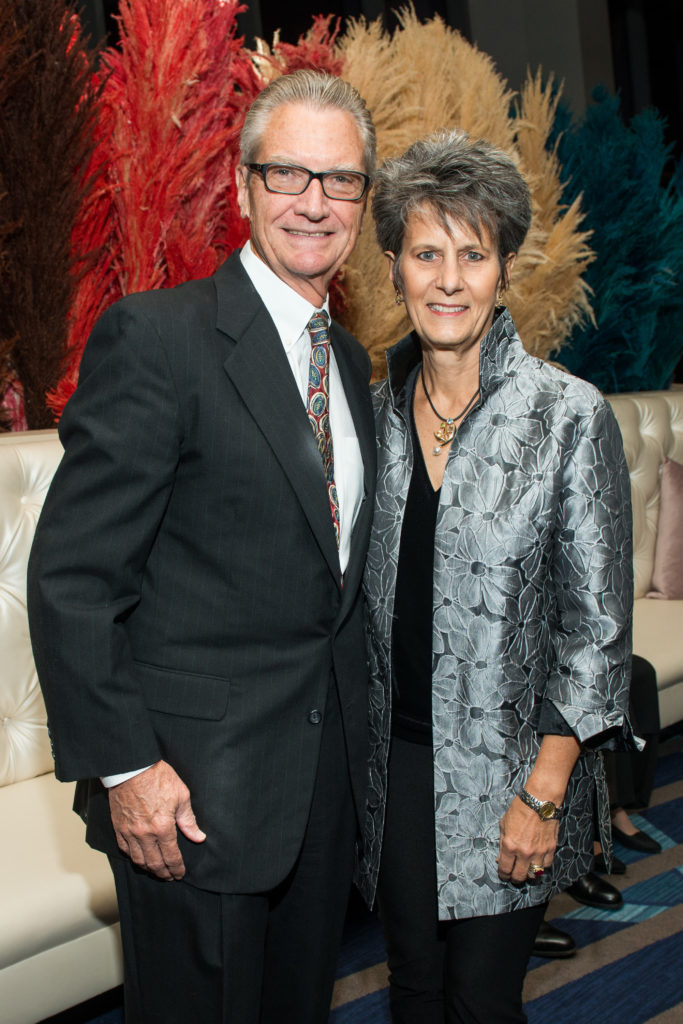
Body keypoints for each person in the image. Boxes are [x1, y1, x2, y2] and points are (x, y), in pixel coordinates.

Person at [27, 70, 377, 1024]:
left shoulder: (348, 360)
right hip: (186, 802)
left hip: (319, 795)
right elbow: (72, 580)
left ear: (362, 200)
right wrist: (127, 769)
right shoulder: (157, 338)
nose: (314, 201)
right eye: (288, 173)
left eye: (340, 180)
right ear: (240, 185)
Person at [356, 129, 636, 1023]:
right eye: (425, 253)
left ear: (504, 268)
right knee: (416, 988)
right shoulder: (369, 419)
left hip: (515, 770)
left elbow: (595, 635)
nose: (446, 279)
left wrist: (543, 794)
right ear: (392, 264)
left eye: (471, 255)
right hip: (393, 766)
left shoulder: (565, 415)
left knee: (481, 1000)